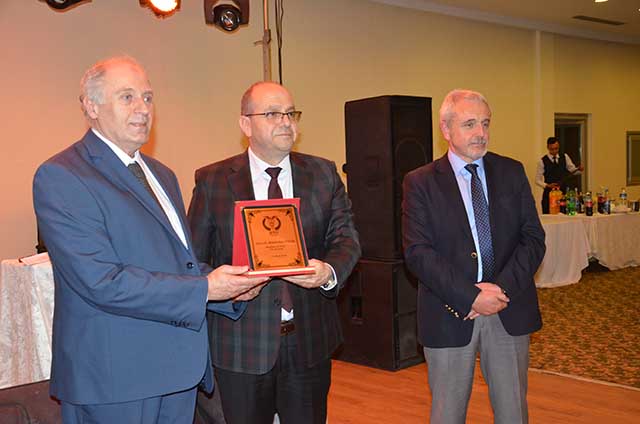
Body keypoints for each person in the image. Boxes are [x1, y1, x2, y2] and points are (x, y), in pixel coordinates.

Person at [33, 56, 267, 424]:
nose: (143, 109)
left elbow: (176, 263)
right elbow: (101, 281)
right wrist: (206, 289)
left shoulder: (162, 174)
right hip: (116, 380)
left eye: (147, 97)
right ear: (91, 106)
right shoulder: (62, 175)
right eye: (127, 97)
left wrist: (231, 288)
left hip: (176, 373)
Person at [188, 81, 361, 424]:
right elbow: (192, 259)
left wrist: (328, 272)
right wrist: (226, 287)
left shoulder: (323, 173)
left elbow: (347, 239)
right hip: (241, 344)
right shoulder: (213, 180)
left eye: (290, 113)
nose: (286, 122)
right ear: (245, 124)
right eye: (272, 114)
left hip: (308, 339)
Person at [402, 89, 545, 424]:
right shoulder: (420, 182)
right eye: (469, 124)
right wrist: (470, 296)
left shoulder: (511, 172)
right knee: (447, 415)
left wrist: (499, 291)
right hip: (450, 312)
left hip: (508, 308)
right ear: (446, 128)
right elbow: (418, 252)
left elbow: (533, 240)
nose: (480, 132)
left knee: (513, 413)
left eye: (485, 123)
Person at [535, 136, 583, 213]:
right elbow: (537, 180)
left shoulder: (565, 157)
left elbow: (572, 170)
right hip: (549, 194)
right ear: (548, 147)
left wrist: (579, 170)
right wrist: (547, 185)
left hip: (563, 193)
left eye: (556, 148)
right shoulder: (542, 161)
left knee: (564, 213)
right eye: (552, 149)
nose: (554, 151)